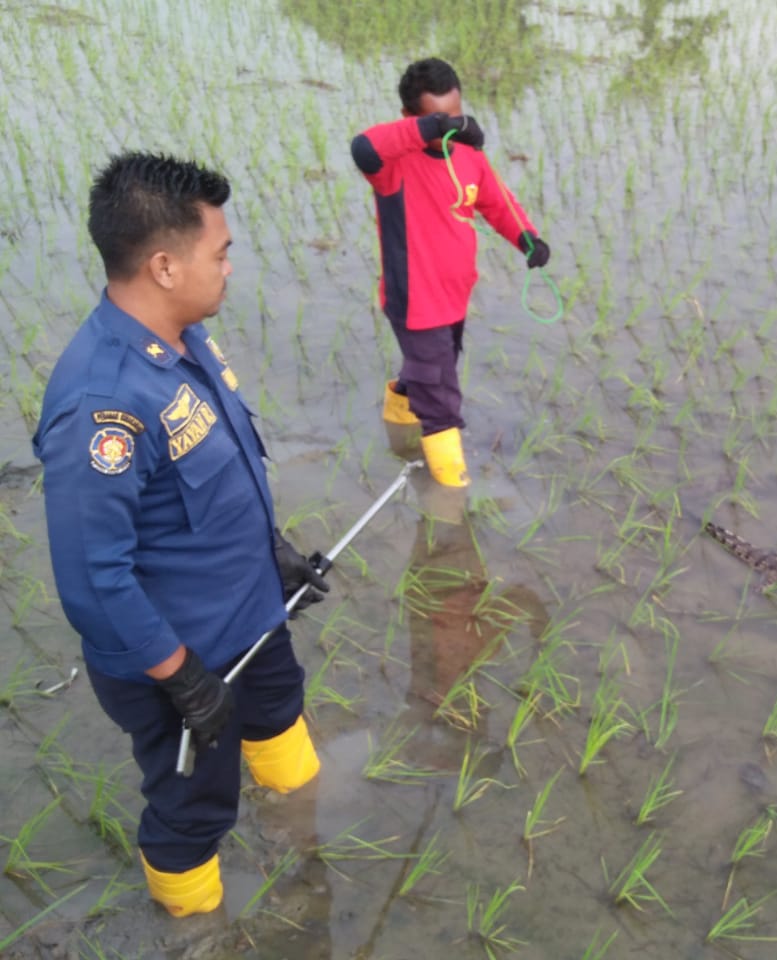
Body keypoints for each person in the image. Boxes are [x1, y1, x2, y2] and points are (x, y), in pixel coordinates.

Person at [32, 151, 331, 917]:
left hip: (252, 619)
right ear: (165, 265)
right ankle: (199, 932)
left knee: (282, 717)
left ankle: (307, 847)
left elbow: (225, 471)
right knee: (193, 807)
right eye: (220, 253)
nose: (230, 267)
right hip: (181, 659)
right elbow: (95, 582)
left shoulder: (187, 341)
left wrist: (277, 557)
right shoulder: (102, 406)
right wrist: (181, 676)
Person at [351, 56, 552, 488]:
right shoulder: (393, 168)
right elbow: (363, 147)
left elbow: (497, 200)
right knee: (441, 394)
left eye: (456, 116)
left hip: (453, 296)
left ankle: (399, 419)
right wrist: (430, 129)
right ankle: (451, 495)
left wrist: (527, 239)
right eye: (438, 119)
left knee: (430, 370)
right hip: (415, 300)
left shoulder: (467, 156)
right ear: (411, 117)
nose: (451, 127)